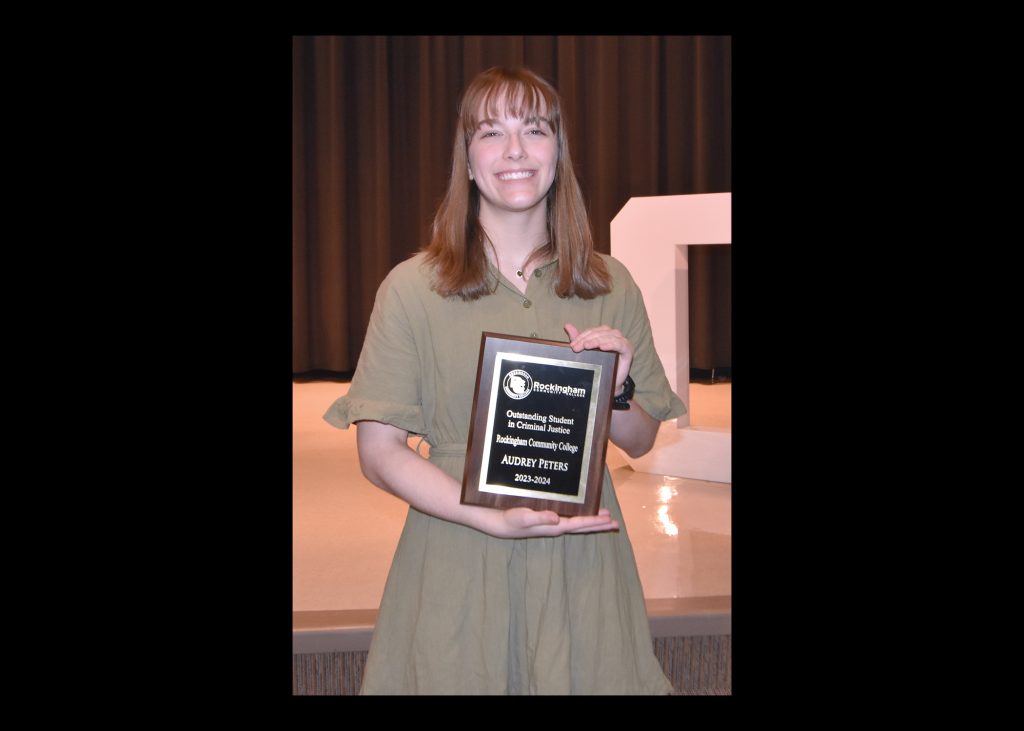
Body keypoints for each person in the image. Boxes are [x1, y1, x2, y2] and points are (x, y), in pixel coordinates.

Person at [323, 66, 685, 695]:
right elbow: (378, 453)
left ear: (557, 153)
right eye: (491, 132)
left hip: (583, 564)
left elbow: (641, 439)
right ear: (467, 160)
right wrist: (486, 517)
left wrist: (619, 389)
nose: (515, 150)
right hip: (458, 555)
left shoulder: (610, 283)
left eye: (534, 130)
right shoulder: (412, 289)